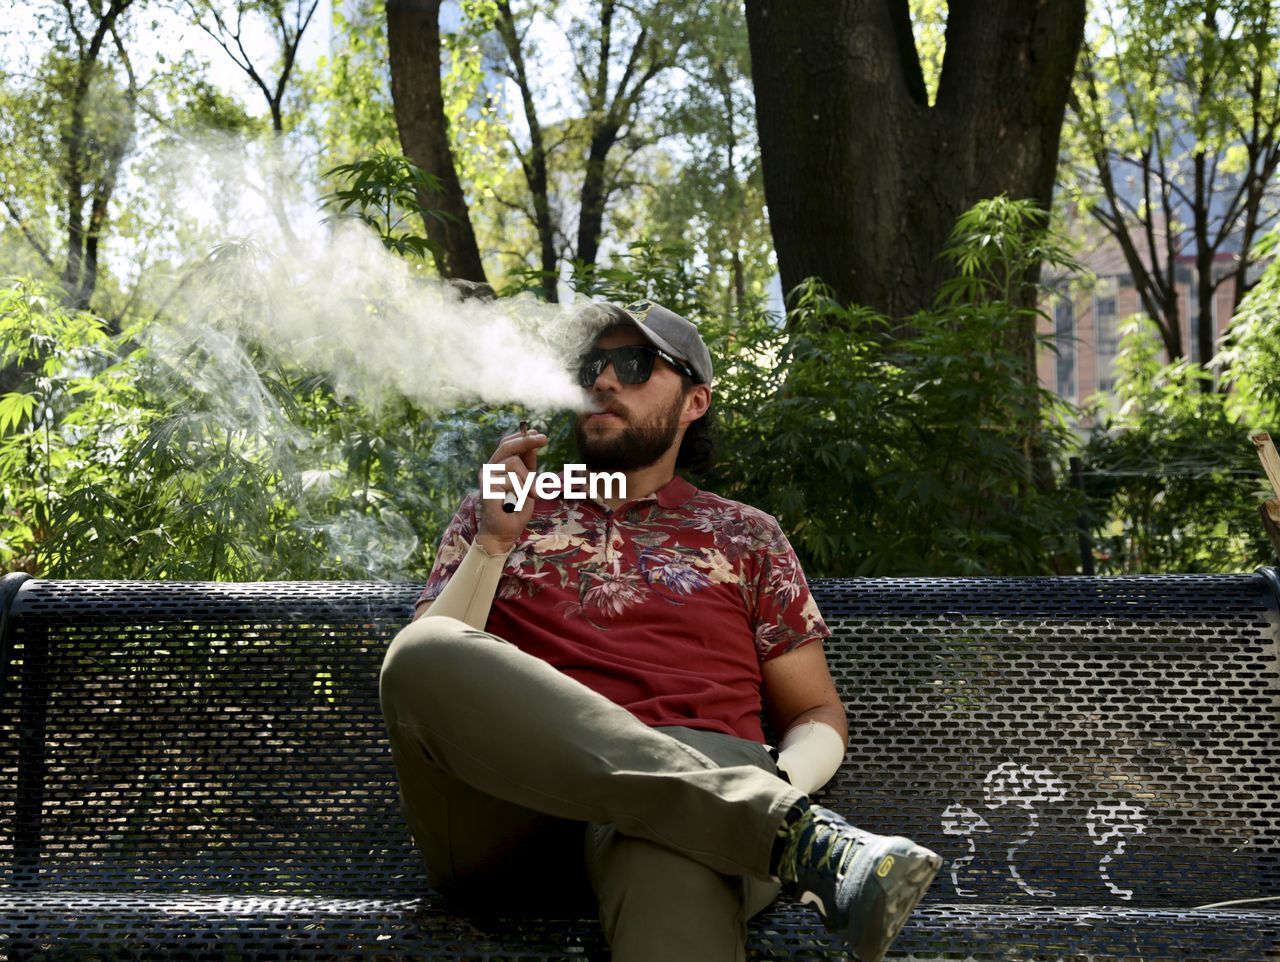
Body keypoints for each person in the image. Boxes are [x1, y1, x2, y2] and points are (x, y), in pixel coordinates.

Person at [379, 300, 941, 962]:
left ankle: (752, 818)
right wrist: (495, 543)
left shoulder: (745, 534)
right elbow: (429, 692)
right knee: (420, 652)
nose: (604, 380)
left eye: (635, 363)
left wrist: (779, 780)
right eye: (593, 364)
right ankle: (787, 836)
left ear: (695, 401)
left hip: (693, 821)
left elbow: (816, 708)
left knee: (670, 840)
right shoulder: (503, 511)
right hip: (513, 821)